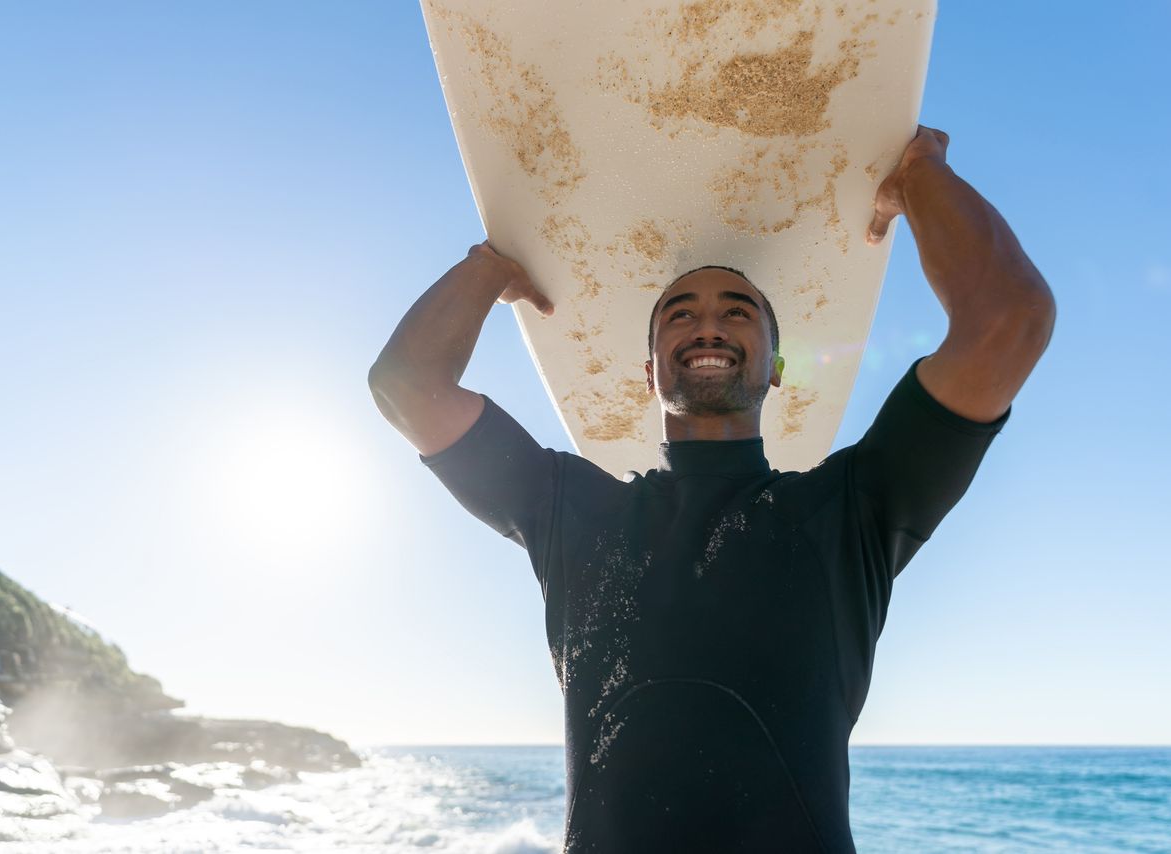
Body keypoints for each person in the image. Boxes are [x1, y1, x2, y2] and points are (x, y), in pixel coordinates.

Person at [368, 126, 1055, 852]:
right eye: (680, 313)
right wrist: (489, 269)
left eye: (737, 311)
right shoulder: (570, 511)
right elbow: (408, 385)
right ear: (649, 370)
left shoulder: (852, 509)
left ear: (779, 365)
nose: (708, 324)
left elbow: (1009, 320)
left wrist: (920, 177)